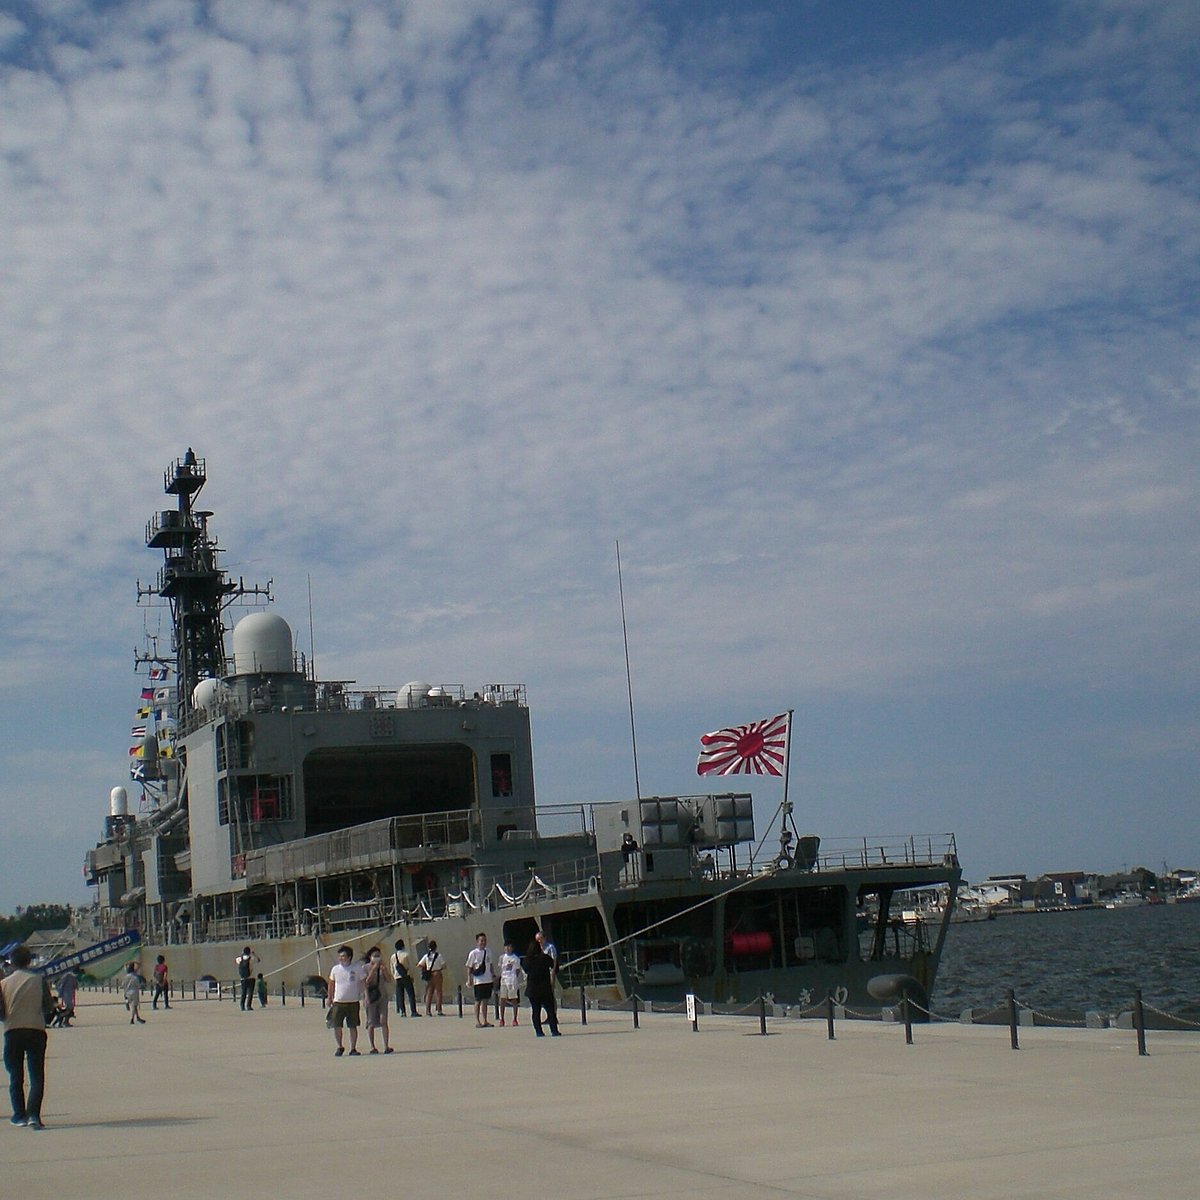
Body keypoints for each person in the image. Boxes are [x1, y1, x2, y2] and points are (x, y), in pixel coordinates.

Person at [2, 944, 54, 1128]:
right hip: (36, 1030)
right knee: (36, 1075)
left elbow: (1, 1013)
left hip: (13, 1031)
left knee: (16, 1075)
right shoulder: (39, 980)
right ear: (30, 961)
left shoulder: (3, 984)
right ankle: (34, 1115)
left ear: (12, 963)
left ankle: (19, 1115)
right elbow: (48, 1006)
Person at [327, 945, 364, 1056]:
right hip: (338, 1002)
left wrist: (365, 995)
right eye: (340, 956)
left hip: (353, 1001)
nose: (341, 958)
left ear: (349, 957)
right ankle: (340, 1046)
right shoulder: (335, 969)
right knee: (336, 1025)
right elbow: (331, 984)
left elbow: (363, 982)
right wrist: (329, 998)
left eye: (343, 956)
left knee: (352, 1026)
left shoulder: (357, 968)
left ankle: (353, 1048)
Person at [522, 938, 560, 1037]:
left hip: (532, 989)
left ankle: (539, 1031)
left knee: (536, 1011)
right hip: (545, 988)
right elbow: (555, 966)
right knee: (550, 1010)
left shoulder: (526, 960)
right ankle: (554, 1030)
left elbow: (525, 970)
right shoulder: (545, 958)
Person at [362, 947, 393, 1053]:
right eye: (374, 955)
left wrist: (384, 970)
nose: (377, 958)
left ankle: (386, 1046)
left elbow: (389, 980)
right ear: (370, 957)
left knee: (383, 1021)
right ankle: (372, 1046)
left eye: (378, 955)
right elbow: (366, 982)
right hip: (371, 997)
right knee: (371, 1022)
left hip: (382, 996)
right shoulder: (365, 968)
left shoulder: (382, 967)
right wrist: (374, 969)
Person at [465, 933, 494, 1028]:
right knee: (478, 1000)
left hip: (488, 979)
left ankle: (485, 1020)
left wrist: (493, 975)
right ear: (477, 942)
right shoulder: (473, 953)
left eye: (484, 940)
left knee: (485, 1001)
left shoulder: (488, 951)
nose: (483, 942)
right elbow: (469, 967)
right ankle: (478, 1021)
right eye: (481, 940)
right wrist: (469, 979)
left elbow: (490, 964)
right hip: (478, 981)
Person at [497, 939, 523, 1027]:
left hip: (512, 980)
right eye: (506, 946)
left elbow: (518, 970)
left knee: (514, 999)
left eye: (509, 946)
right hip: (504, 980)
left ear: (512, 948)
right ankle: (502, 1019)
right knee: (502, 999)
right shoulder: (502, 957)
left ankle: (515, 1019)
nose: (508, 948)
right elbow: (500, 968)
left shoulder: (516, 958)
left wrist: (513, 977)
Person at [391, 939, 418, 1017]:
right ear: (403, 946)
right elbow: (410, 966)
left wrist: (394, 976)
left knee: (400, 995)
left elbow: (392, 968)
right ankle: (413, 1011)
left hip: (397, 977)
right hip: (406, 976)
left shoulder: (393, 956)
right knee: (411, 994)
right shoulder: (406, 955)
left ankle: (403, 1011)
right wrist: (412, 976)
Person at [418, 941, 445, 1016]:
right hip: (437, 973)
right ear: (436, 947)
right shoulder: (438, 956)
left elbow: (419, 965)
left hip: (429, 974)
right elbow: (444, 965)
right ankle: (439, 1010)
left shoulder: (426, 956)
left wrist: (426, 968)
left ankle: (428, 1011)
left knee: (429, 992)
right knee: (438, 992)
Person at [235, 947, 260, 1011]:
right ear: (249, 952)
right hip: (251, 978)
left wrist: (242, 954)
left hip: (243, 978)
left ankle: (242, 1006)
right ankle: (248, 1006)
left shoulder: (240, 959)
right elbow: (258, 960)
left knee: (243, 992)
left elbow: (236, 960)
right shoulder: (252, 959)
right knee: (250, 993)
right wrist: (253, 954)